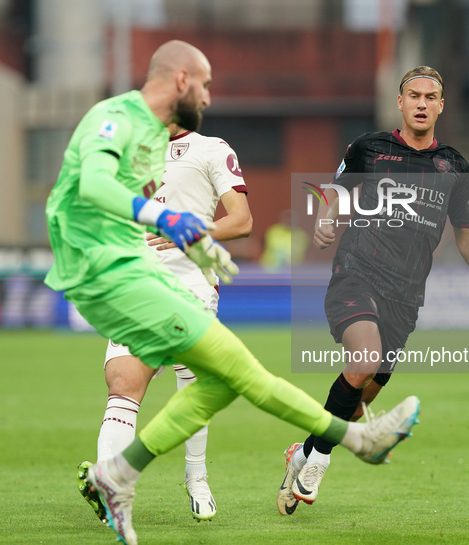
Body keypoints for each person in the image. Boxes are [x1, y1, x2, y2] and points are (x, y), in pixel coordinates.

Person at [44, 40, 423, 545]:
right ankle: (357, 438)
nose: (205, 97)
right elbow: (92, 186)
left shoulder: (172, 144)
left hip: (142, 277)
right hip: (112, 275)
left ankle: (116, 476)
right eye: (202, 85)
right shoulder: (115, 117)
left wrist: (196, 241)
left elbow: (219, 216)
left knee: (224, 379)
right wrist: (172, 221)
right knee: (233, 372)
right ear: (180, 79)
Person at [277, 66, 469, 515]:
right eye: (413, 95)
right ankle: (316, 465)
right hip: (357, 273)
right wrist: (326, 216)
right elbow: (336, 192)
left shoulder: (454, 166)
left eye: (430, 96)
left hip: (406, 295)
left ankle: (301, 453)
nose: (421, 103)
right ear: (400, 102)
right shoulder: (369, 148)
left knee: (361, 399)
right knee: (363, 361)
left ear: (441, 105)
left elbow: (466, 235)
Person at [77, 120, 252, 524]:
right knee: (122, 382)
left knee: (192, 386)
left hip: (192, 286)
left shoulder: (211, 148)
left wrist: (189, 232)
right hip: (136, 289)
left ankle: (196, 475)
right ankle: (110, 487)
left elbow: (241, 221)